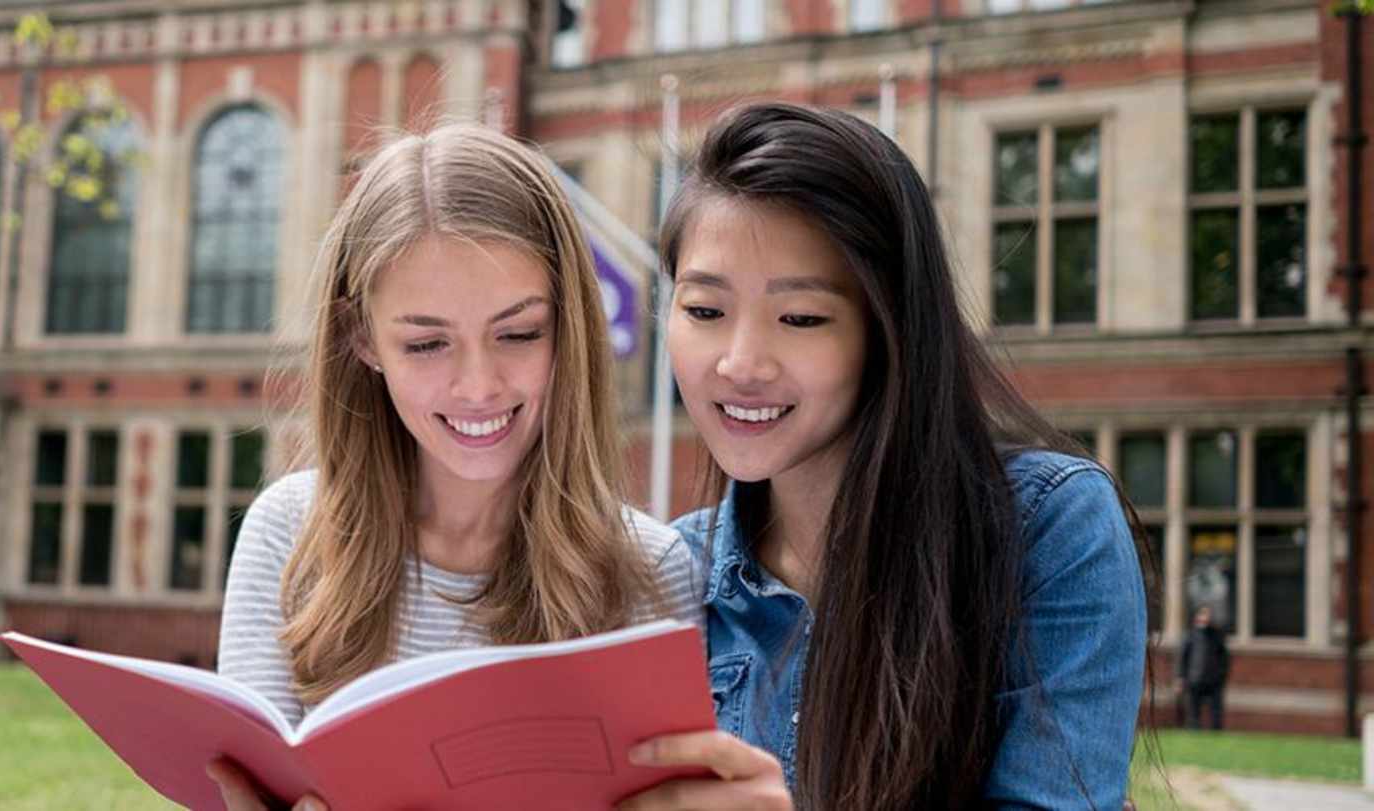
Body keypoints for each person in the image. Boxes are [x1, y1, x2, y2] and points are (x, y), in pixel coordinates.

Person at [618, 102, 1148, 811]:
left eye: (800, 318)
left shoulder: (1050, 526)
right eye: (705, 311)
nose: (740, 364)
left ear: (889, 327)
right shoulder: (672, 571)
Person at [205, 122, 707, 810]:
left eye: (518, 332)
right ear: (363, 339)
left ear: (569, 326)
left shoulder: (654, 571)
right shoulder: (287, 535)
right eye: (427, 343)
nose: (478, 385)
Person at [1179, 605, 1229, 730]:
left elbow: (1224, 658)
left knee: (1216, 710)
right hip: (1195, 678)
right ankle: (1194, 729)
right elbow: (1183, 658)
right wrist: (1181, 677)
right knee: (1194, 710)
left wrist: (1221, 675)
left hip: (1213, 680)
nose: (1205, 618)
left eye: (1207, 615)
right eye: (1202, 615)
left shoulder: (1217, 636)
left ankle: (1216, 731)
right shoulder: (1191, 636)